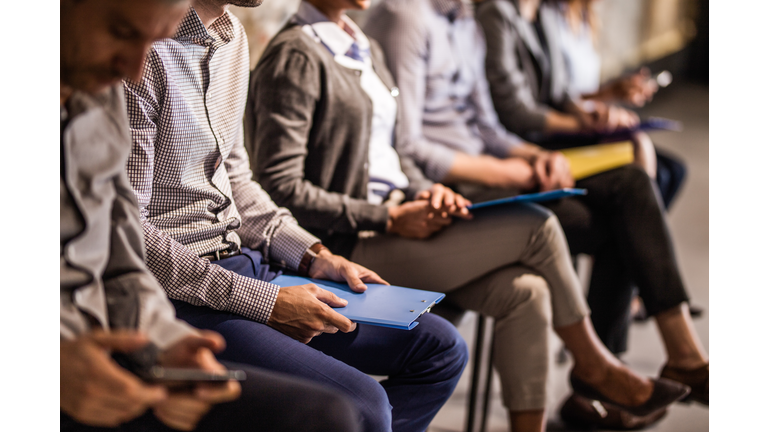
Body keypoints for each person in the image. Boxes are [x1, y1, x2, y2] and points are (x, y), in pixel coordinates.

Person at [246, 1, 690, 431]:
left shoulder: (364, 43)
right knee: (539, 226)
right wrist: (388, 217)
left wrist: (428, 190)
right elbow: (280, 186)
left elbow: (397, 154)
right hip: (350, 241)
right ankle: (594, 364)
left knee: (527, 292)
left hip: (400, 213)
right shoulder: (296, 54)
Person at [122, 1, 468, 431]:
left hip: (245, 262)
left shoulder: (232, 37)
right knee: (365, 405)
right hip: (183, 292)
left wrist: (314, 255)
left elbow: (237, 180)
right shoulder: (144, 49)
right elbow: (130, 233)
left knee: (441, 347)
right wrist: (266, 303)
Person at [366, 0, 708, 411]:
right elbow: (409, 145)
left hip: (489, 167)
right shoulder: (407, 18)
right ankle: (608, 378)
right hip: (448, 188)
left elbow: (489, 126)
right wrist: (510, 172)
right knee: (622, 221)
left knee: (632, 186)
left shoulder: (464, 19)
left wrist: (536, 157)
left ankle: (671, 355)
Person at [60, 1, 361, 431]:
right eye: (122, 32)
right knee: (338, 412)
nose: (136, 69)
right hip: (119, 321)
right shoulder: (113, 80)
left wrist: (169, 344)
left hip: (150, 310)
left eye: (154, 41)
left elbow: (120, 255)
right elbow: (137, 240)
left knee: (427, 352)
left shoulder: (101, 94)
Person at [477, 0, 687, 209]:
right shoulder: (496, 13)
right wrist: (584, 124)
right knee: (636, 168)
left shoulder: (545, 12)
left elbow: (561, 90)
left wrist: (588, 115)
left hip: (554, 130)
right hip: (529, 138)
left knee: (663, 162)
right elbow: (516, 112)